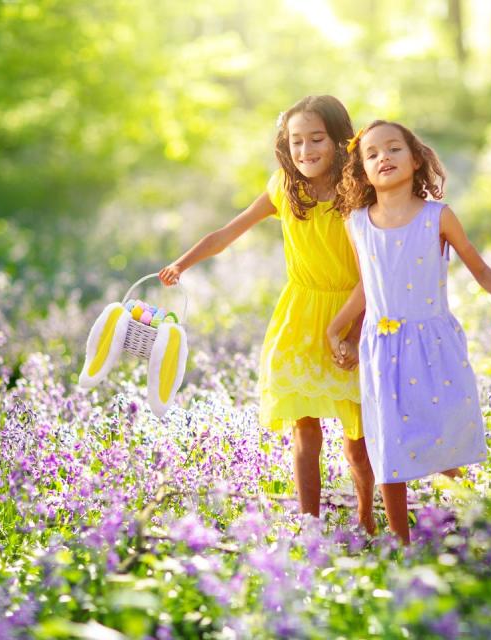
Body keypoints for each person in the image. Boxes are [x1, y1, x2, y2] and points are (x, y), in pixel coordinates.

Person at [158, 96, 376, 533]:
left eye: (317, 139)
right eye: (296, 141)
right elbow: (226, 233)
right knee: (305, 430)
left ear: (341, 141)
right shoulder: (284, 187)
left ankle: (367, 516)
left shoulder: (358, 192)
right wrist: (182, 263)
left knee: (358, 439)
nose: (306, 150)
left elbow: (374, 269)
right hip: (299, 316)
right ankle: (310, 523)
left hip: (353, 311)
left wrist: (350, 333)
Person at [327, 120, 491, 544]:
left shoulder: (438, 216)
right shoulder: (357, 222)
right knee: (388, 442)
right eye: (373, 153)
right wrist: (336, 328)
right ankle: (402, 540)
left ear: (415, 158)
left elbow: (478, 266)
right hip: (382, 347)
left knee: (446, 428)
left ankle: (476, 514)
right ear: (362, 170)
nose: (384, 157)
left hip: (433, 342)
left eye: (394, 148)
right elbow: (368, 284)